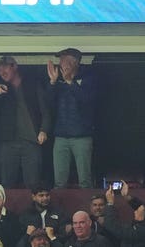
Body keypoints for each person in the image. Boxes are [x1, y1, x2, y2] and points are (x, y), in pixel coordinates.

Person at [0, 56, 51, 188]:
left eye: (5, 68)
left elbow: (45, 111)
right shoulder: (0, 87)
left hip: (31, 141)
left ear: (15, 67)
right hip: (7, 143)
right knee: (7, 185)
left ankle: (32, 209)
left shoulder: (32, 85)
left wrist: (43, 130)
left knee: (33, 184)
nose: (2, 72)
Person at [46, 48, 96, 188]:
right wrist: (52, 82)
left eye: (64, 60)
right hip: (61, 136)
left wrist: (70, 82)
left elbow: (85, 100)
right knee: (59, 182)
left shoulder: (88, 79)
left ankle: (88, 207)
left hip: (82, 136)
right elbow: (48, 103)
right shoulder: (59, 82)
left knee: (85, 180)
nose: (61, 64)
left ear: (74, 62)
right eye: (60, 61)